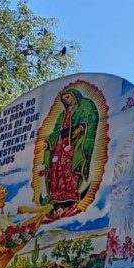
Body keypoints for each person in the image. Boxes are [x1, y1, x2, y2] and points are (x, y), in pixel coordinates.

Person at [39, 87, 99, 217]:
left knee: (69, 166)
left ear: (74, 96)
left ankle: (71, 194)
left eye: (67, 97)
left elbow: (91, 118)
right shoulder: (62, 114)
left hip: (74, 142)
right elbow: (56, 130)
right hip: (60, 143)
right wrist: (48, 141)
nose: (66, 100)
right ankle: (55, 196)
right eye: (63, 99)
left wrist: (81, 128)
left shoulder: (85, 106)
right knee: (56, 168)